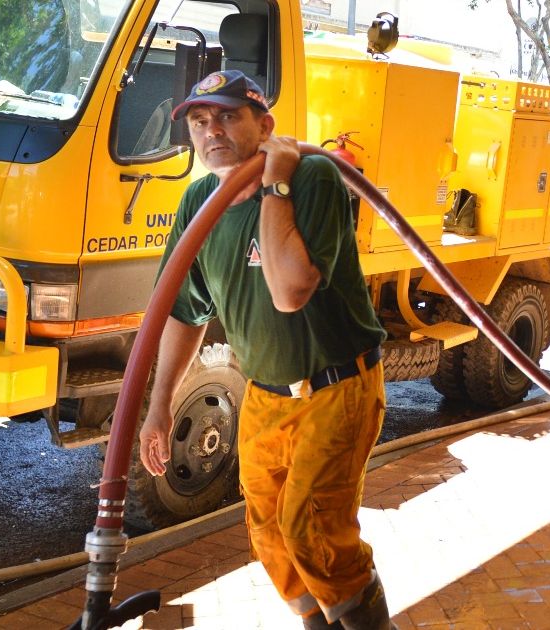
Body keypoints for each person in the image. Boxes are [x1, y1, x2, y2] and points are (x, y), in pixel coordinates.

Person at [138, 69, 394, 630]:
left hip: (336, 387)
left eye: (228, 116)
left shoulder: (312, 178)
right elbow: (184, 313)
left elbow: (289, 291)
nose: (211, 132)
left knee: (313, 530)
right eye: (200, 122)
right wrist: (159, 406)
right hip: (265, 395)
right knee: (272, 537)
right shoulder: (199, 203)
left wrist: (275, 183)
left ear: (265, 125)